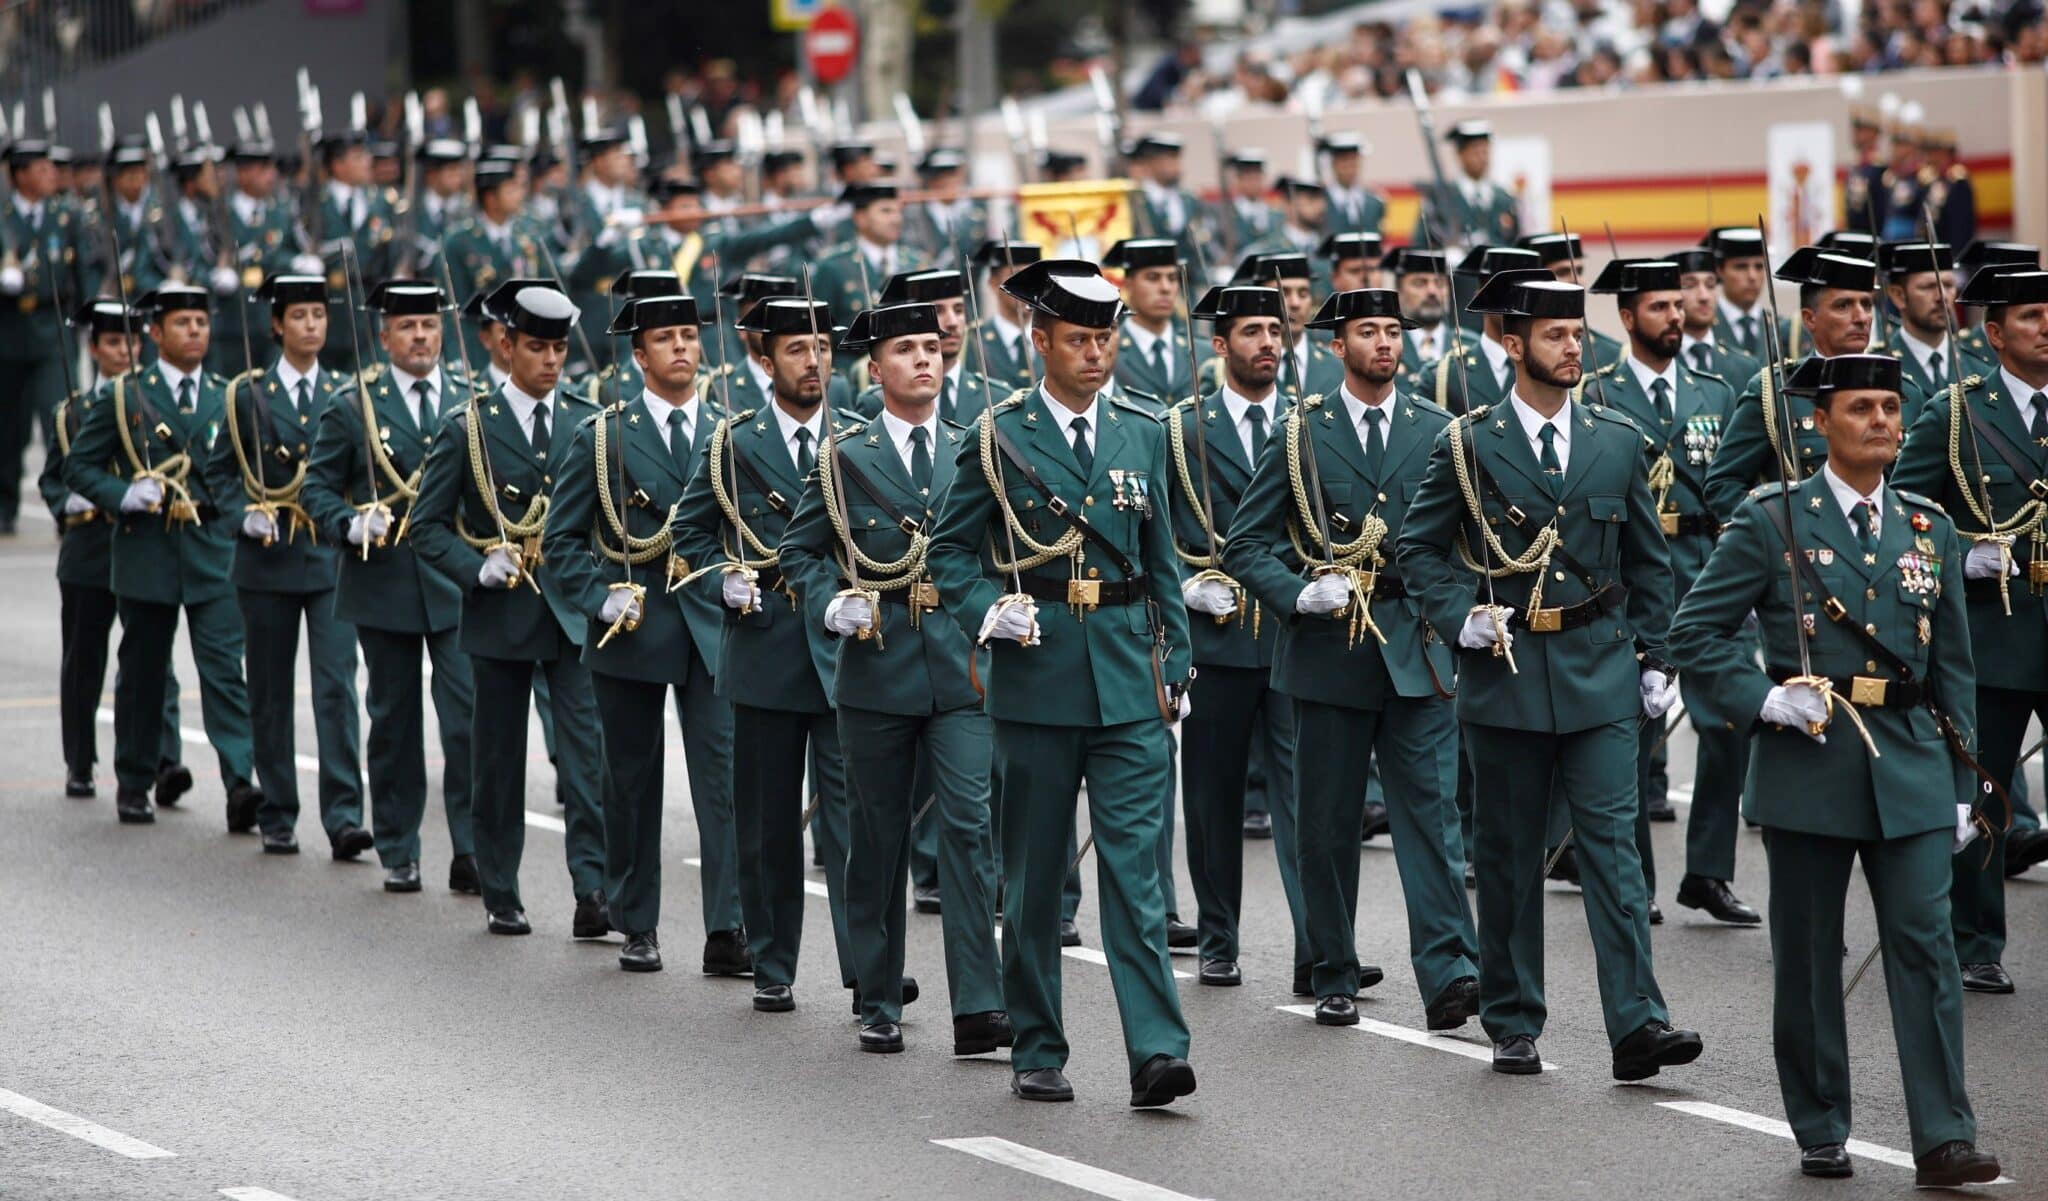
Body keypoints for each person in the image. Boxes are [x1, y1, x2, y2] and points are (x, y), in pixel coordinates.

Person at [1669, 353, 2001, 1188]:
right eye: (1862, 408)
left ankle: (1944, 1135)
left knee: (1925, 947)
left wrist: (1965, 785)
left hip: (1914, 765)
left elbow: (1954, 668)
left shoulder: (1929, 525)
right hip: (1810, 760)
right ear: (1822, 423)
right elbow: (1695, 633)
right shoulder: (1772, 519)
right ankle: (1820, 1122)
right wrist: (1764, 696)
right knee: (1813, 954)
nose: (1884, 421)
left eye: (1891, 406)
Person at [1396, 269, 1703, 1081]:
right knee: (1507, 855)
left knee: (1613, 851)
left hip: (1601, 668)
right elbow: (1417, 548)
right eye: (1557, 335)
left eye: (1578, 334)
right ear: (1512, 342)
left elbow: (1649, 559)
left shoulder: (1615, 438)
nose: (1575, 348)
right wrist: (1459, 610)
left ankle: (1639, 1022)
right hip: (1507, 671)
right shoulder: (1467, 443)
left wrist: (1655, 656)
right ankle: (1513, 1015)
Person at [926, 258, 1196, 1108]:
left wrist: (1176, 666)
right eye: (1078, 339)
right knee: (1036, 881)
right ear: (1038, 339)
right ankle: (1037, 1044)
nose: (1095, 354)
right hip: (1037, 681)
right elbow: (947, 556)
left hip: (1126, 685)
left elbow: (1164, 561)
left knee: (1136, 880)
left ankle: (1156, 1050)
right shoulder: (997, 435)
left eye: (1104, 338)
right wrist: (987, 608)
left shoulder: (1145, 430)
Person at [1226, 285, 1477, 1023]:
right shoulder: (1302, 431)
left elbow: (1465, 541)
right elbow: (1246, 543)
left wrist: (1458, 614)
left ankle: (1450, 972)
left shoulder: (1439, 428)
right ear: (1338, 347)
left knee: (1431, 817)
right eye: (1368, 332)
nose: (1385, 344)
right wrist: (1296, 594)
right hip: (1330, 648)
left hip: (1416, 645)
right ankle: (1332, 967)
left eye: (1393, 331)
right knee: (1329, 820)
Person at [779, 300, 1009, 1055]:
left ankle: (978, 1002)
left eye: (932, 348)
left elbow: (996, 552)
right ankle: (877, 993)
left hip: (958, 672)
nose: (924, 359)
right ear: (874, 371)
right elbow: (800, 552)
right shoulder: (845, 457)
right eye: (906, 350)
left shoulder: (974, 448)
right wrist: (830, 601)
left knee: (970, 832)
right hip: (875, 669)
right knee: (876, 839)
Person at [541, 292, 749, 976]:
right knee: (631, 780)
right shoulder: (603, 436)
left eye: (689, 336)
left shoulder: (729, 430)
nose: (683, 348)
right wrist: (597, 598)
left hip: (710, 620)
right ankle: (637, 920)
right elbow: (560, 541)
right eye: (666, 339)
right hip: (632, 622)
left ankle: (729, 927)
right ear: (639, 355)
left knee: (724, 781)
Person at [669, 296, 858, 1013]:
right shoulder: (733, 442)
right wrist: (723, 578)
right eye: (796, 350)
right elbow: (688, 532)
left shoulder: (858, 435)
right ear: (763, 359)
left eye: (822, 348)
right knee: (767, 819)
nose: (814, 362)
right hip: (765, 641)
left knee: (855, 822)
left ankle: (865, 963)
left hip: (845, 645)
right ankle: (773, 960)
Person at [407, 280, 608, 937]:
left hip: (572, 613)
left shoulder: (585, 419)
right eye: (537, 348)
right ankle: (500, 886)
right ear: (505, 345)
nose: (551, 361)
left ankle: (594, 889)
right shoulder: (469, 425)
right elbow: (426, 525)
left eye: (558, 349)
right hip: (501, 615)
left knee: (587, 759)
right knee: (497, 762)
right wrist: (476, 566)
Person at [1581, 258, 1756, 924]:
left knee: (1730, 721)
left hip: (1709, 571)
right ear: (1627, 318)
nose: (1675, 318)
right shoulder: (1598, 391)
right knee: (1634, 732)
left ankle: (1708, 871)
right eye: (1659, 308)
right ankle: (1638, 880)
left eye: (1678, 306)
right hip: (1635, 574)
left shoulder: (1716, 389)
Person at [1894, 265, 2048, 990]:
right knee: (1987, 789)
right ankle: (1977, 940)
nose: (2046, 327)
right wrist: (1960, 551)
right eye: (2030, 317)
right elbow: (1903, 517)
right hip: (1996, 629)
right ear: (1994, 334)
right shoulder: (1956, 411)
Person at [301, 280, 481, 895]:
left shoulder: (468, 396)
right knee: (395, 722)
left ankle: (474, 850)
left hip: (457, 584)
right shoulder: (356, 405)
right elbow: (316, 488)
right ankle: (399, 847)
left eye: (429, 325)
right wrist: (349, 522)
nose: (422, 336)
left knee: (467, 722)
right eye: (408, 327)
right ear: (385, 337)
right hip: (386, 581)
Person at [62, 285, 258, 828]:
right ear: (154, 333)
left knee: (224, 671)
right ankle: (133, 779)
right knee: (143, 671)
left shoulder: (227, 394)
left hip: (210, 547)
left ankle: (241, 781)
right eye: (182, 323)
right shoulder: (125, 396)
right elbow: (78, 467)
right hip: (146, 546)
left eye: (200, 321)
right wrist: (123, 494)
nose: (195, 331)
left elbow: (244, 469)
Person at [202, 273, 367, 858]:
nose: (311, 326)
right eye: (298, 317)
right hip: (267, 560)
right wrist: (242, 514)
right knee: (270, 692)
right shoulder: (248, 395)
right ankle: (277, 810)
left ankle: (345, 816)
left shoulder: (349, 394)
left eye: (319, 316)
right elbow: (219, 471)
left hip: (326, 558)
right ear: (277, 325)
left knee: (335, 689)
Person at [43, 300, 185, 803]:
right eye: (112, 344)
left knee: (153, 660)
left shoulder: (152, 400)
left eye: (130, 343)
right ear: (94, 349)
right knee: (85, 659)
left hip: (145, 545)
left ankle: (165, 760)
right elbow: (53, 478)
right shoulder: (73, 412)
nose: (123, 352)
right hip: (91, 547)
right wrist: (70, 499)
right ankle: (80, 762)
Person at [1704, 248, 1881, 521]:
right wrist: (1775, 533)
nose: (1860, 317)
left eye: (1867, 304)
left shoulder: (1900, 390)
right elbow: (1723, 486)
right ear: (1809, 318)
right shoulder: (1773, 392)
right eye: (1843, 306)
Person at [1, 138, 89, 534]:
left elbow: (82, 270)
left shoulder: (66, 215)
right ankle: (4, 506)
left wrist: (88, 320)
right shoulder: (3, 215)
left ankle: (65, 506)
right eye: (39, 169)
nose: (50, 175)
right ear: (19, 175)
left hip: (53, 328)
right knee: (8, 427)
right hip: (8, 332)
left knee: (61, 420)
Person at [1409, 247, 1545, 415]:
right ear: (1481, 296)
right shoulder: (1443, 376)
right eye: (1508, 289)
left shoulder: (1549, 369)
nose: (1519, 300)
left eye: (1528, 292)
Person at [1106, 238, 1201, 405]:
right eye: (1152, 278)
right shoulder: (1107, 352)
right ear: (1128, 285)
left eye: (1172, 278)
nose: (1165, 288)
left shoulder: (1201, 351)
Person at [1413, 121, 1519, 251]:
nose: (1481, 157)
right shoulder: (1440, 197)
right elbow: (1420, 244)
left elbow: (1515, 241)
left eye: (1485, 150)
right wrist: (1444, 256)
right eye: (1475, 150)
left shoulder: (1504, 197)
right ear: (1460, 154)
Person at [1673, 245, 1761, 386]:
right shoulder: (1661, 363)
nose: (1704, 296)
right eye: (1689, 285)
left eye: (1710, 285)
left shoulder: (1746, 367)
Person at [970, 239, 1041, 391]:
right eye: (1015, 277)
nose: (1025, 286)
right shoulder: (974, 341)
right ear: (993, 282)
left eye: (1032, 277)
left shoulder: (1054, 337)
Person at [1384, 245, 1454, 374]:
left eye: (1439, 283)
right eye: (1420, 283)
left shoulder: (1469, 345)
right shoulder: (1384, 345)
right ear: (1398, 289)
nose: (1432, 291)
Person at [1318, 134, 1387, 237]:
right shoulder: (1320, 200)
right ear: (1333, 163)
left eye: (1354, 161)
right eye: (1344, 161)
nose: (1350, 169)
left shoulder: (1374, 202)